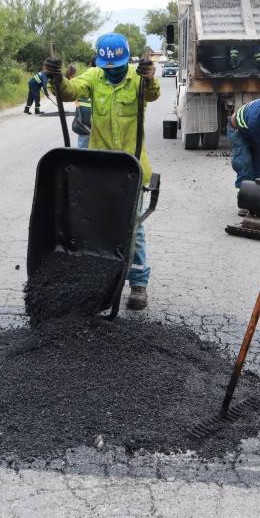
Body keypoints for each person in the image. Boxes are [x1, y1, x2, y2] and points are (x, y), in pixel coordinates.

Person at [44, 33, 159, 310]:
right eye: (108, 68)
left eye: (117, 67)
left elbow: (152, 94)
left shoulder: (137, 79)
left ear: (126, 61)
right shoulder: (95, 76)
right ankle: (100, 280)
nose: (112, 71)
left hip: (131, 167)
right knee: (97, 227)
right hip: (101, 167)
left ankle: (138, 284)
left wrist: (149, 78)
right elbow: (70, 91)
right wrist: (55, 77)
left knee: (133, 229)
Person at [71, 58, 95, 149]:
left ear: (90, 64)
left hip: (85, 123)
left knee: (83, 147)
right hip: (88, 123)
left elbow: (71, 90)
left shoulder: (84, 77)